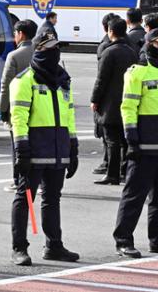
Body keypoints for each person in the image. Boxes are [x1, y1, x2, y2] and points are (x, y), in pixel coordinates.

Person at [9, 30, 79, 266]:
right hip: (34, 149)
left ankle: (54, 246)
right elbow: (18, 117)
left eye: (56, 48)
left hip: (58, 149)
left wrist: (73, 145)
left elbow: (69, 115)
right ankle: (19, 248)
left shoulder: (63, 80)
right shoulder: (23, 80)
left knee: (52, 199)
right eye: (49, 48)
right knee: (24, 198)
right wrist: (22, 149)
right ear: (38, 50)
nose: (54, 52)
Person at [113, 27, 158, 258]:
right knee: (134, 196)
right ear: (149, 44)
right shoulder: (137, 72)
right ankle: (123, 240)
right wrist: (132, 140)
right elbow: (128, 108)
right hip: (143, 146)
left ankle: (156, 240)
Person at [91, 18, 137, 185]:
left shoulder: (109, 52)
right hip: (128, 101)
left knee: (111, 140)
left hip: (110, 103)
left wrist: (94, 100)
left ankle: (112, 174)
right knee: (125, 140)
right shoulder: (132, 51)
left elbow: (101, 79)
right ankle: (125, 172)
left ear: (110, 31)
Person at [0, 19, 38, 192]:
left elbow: (5, 85)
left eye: (15, 33)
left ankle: (18, 180)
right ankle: (37, 180)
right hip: (38, 107)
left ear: (20, 34)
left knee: (18, 145)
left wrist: (3, 109)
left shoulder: (14, 56)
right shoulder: (40, 52)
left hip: (17, 108)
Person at [93, 13, 123, 175]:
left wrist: (95, 99)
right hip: (123, 97)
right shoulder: (129, 46)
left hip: (109, 98)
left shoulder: (106, 48)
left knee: (109, 136)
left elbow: (101, 78)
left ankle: (110, 168)